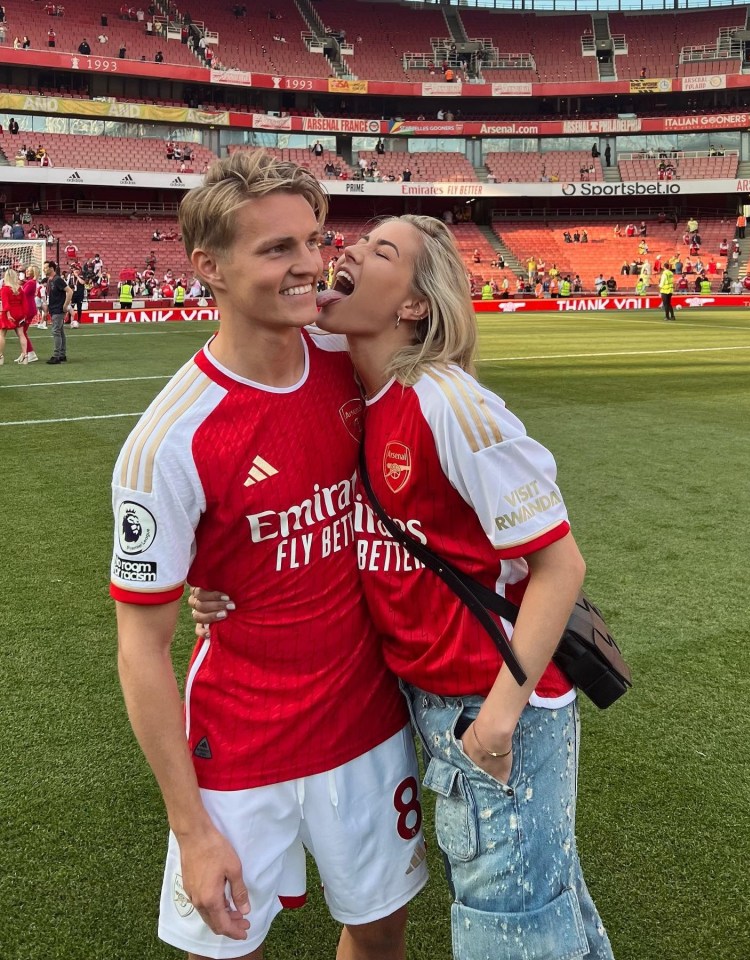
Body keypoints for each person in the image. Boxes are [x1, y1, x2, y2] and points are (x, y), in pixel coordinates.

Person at [195, 214, 615, 959]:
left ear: (414, 305)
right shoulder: (358, 394)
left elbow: (562, 566)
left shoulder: (447, 402)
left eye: (380, 250)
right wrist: (224, 587)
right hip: (434, 702)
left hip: (492, 705)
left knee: (507, 927)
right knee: (545, 910)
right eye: (355, 243)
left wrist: (497, 718)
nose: (347, 250)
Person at [110, 152, 427, 960]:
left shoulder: (351, 365)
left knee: (381, 931)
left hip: (367, 725)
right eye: (278, 248)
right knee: (227, 947)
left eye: (315, 240)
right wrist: (190, 827)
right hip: (239, 743)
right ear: (209, 268)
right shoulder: (168, 443)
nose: (311, 265)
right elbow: (142, 649)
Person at [45, 260, 72, 364]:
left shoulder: (57, 280)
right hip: (53, 308)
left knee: (56, 331)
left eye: (46, 267)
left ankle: (57, 355)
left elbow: (69, 291)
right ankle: (62, 354)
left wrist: (65, 305)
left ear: (51, 268)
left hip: (58, 309)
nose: (44, 269)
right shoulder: (50, 280)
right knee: (60, 332)